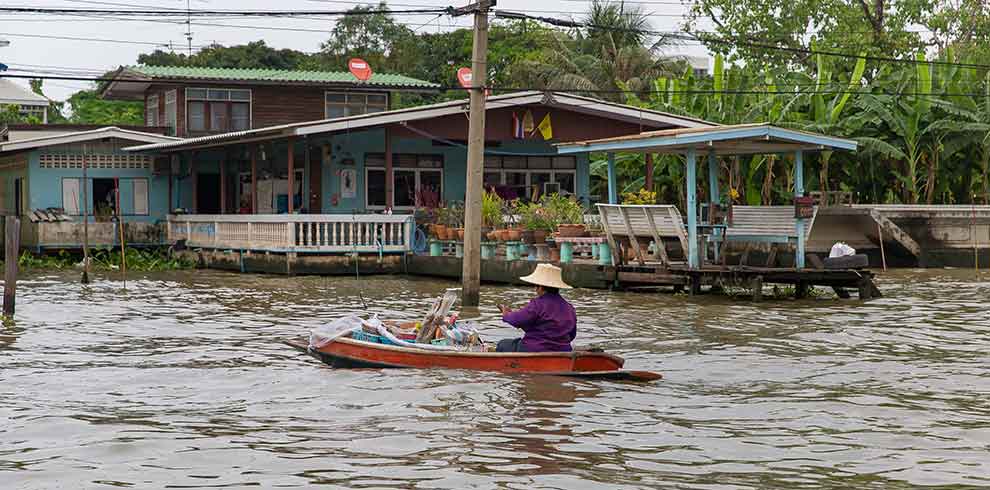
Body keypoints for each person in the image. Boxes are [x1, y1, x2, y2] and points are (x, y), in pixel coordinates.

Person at [496, 263, 577, 352]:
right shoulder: (570, 308)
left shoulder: (538, 304)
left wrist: (506, 315)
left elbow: (517, 320)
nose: (535, 289)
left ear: (540, 287)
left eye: (536, 286)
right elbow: (572, 335)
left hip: (534, 348)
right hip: (563, 351)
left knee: (502, 344)